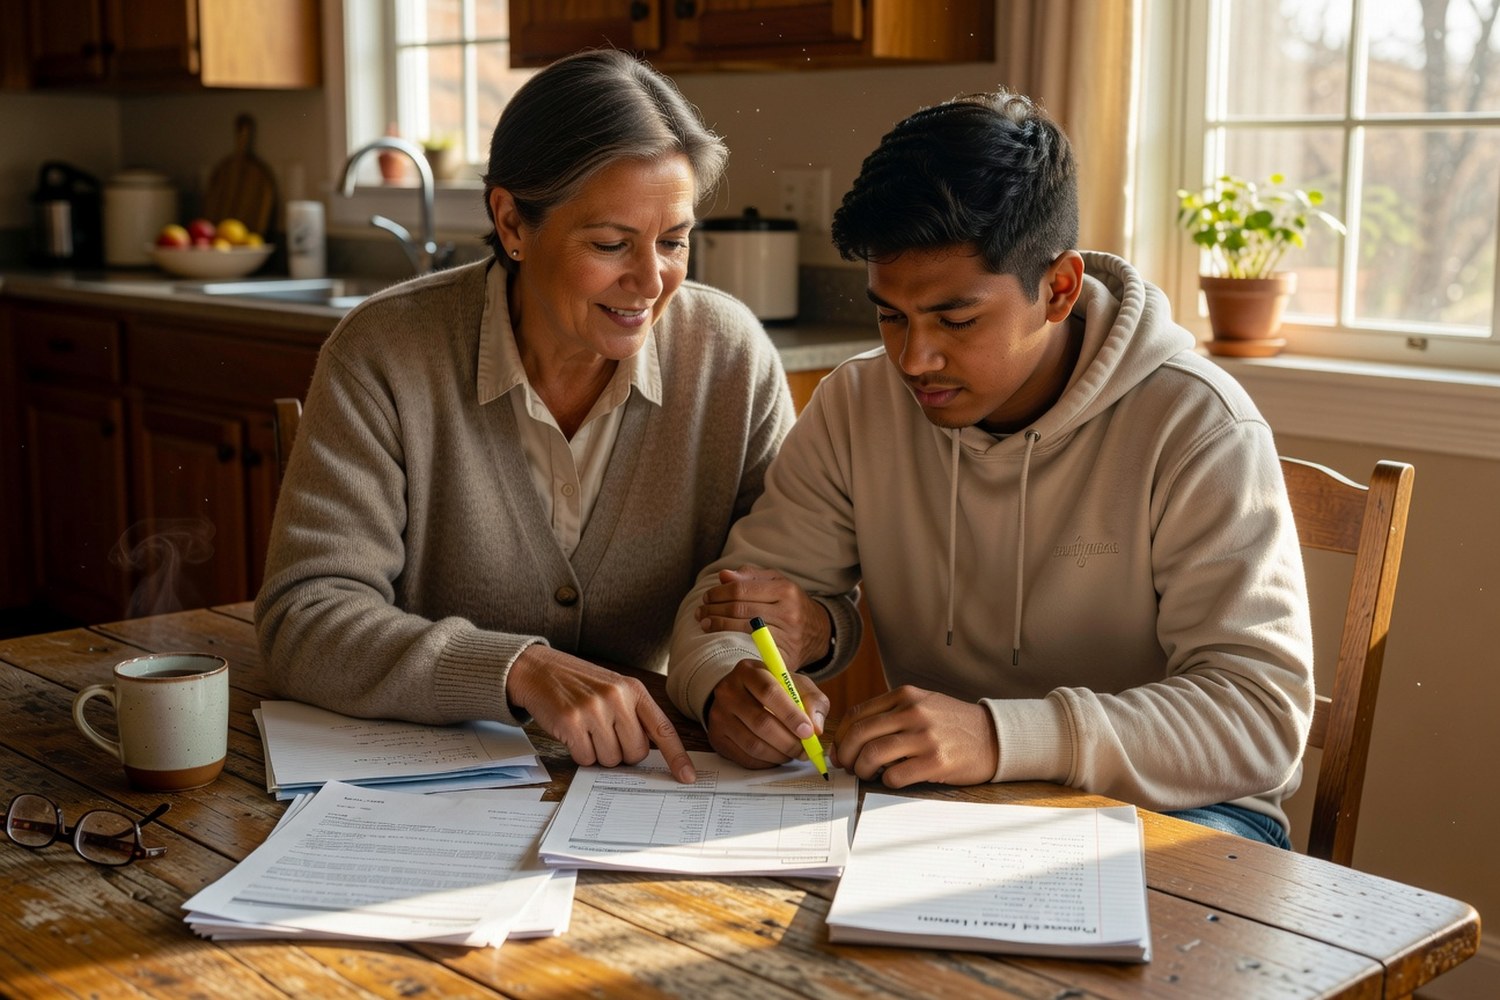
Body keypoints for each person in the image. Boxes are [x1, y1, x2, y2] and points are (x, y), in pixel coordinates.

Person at [667, 89, 1315, 847]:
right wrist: (723, 684)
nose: (914, 359)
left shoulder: (1197, 424)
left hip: (1180, 817)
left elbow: (1259, 717)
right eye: (890, 315)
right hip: (942, 815)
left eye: (957, 319)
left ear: (1059, 289)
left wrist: (999, 737)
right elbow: (724, 606)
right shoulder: (858, 402)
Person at [256, 49, 827, 785]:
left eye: (675, 241)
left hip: (646, 782)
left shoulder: (730, 358)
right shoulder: (385, 352)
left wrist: (738, 684)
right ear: (511, 221)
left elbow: (751, 601)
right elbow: (304, 618)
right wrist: (516, 669)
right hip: (432, 790)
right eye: (611, 243)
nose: (651, 282)